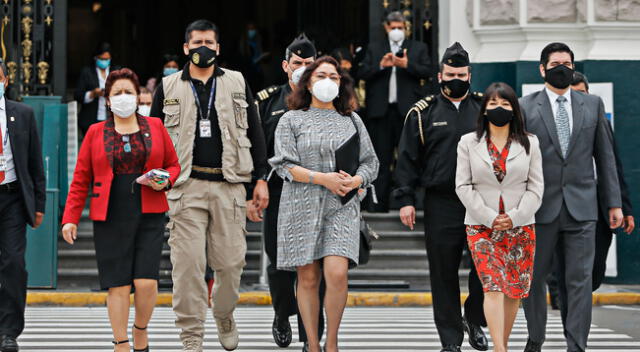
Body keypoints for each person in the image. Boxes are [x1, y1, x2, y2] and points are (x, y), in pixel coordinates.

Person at [149, 19, 269, 352]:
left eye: (210, 42)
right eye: (197, 41)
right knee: (187, 267)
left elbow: (254, 133)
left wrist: (260, 178)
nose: (204, 47)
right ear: (186, 47)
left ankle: (224, 313)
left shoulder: (236, 82)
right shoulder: (169, 86)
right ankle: (191, 336)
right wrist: (155, 177)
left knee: (231, 264)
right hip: (185, 186)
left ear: (219, 47)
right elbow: (154, 137)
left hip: (229, 185)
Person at [61, 68, 180, 352]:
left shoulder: (155, 126)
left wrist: (166, 179)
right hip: (110, 213)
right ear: (108, 99)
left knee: (146, 282)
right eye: (118, 93)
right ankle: (121, 342)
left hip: (149, 210)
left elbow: (174, 165)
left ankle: (140, 329)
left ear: (138, 96)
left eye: (129, 92)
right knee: (118, 285)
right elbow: (80, 179)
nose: (124, 97)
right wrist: (70, 219)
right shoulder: (94, 132)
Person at [269, 56, 379, 352]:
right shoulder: (290, 119)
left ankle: (332, 343)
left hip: (341, 207)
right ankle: (313, 344)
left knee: (336, 273)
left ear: (341, 83)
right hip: (300, 206)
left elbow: (371, 163)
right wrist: (322, 178)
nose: (327, 82)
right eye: (320, 76)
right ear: (307, 81)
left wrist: (357, 181)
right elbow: (284, 166)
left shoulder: (352, 120)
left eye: (334, 76)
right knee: (307, 277)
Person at [520, 42, 623, 352]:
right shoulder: (525, 107)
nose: (562, 68)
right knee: (533, 281)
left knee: (578, 282)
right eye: (555, 63)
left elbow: (606, 158)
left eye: (567, 63)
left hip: (583, 208)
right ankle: (535, 339)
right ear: (542, 69)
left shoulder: (591, 105)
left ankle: (576, 345)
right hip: (539, 209)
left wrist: (614, 203)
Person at [393, 42, 488, 352]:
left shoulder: (485, 108)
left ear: (470, 75)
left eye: (461, 73)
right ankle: (450, 339)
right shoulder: (423, 113)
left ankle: (474, 318)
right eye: (450, 73)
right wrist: (406, 198)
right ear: (440, 75)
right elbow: (407, 158)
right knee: (443, 272)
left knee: (484, 268)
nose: (455, 78)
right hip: (441, 202)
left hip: (480, 202)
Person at [456, 82, 544, 352]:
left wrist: (515, 217)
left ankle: (502, 341)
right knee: (492, 285)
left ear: (515, 110)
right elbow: (463, 185)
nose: (499, 109)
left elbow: (536, 187)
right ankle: (499, 348)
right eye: (493, 104)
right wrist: (489, 216)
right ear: (483, 110)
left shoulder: (530, 142)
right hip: (482, 227)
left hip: (520, 226)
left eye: (505, 104)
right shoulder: (468, 143)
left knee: (513, 291)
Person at [255, 33, 326, 352]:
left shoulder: (327, 99)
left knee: (317, 264)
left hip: (317, 193)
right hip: (278, 191)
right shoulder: (268, 101)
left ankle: (312, 334)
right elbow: (256, 148)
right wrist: (254, 185)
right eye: (297, 63)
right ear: (285, 66)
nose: (303, 68)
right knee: (280, 263)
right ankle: (283, 314)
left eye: (309, 64)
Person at [359, 10, 431, 212]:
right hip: (381, 113)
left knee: (409, 157)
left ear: (406, 27)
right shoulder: (375, 48)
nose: (397, 31)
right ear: (386, 28)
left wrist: (407, 65)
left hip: (408, 113)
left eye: (400, 27)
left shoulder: (417, 48)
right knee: (380, 158)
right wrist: (381, 66)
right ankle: (378, 204)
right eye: (393, 27)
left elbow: (427, 70)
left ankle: (409, 202)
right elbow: (362, 73)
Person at [0, 59, 46, 352]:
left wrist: (39, 203)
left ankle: (8, 331)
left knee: (14, 263)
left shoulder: (22, 114)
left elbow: (34, 162)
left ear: (5, 80)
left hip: (12, 196)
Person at [75, 42, 113, 135]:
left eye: (107, 59)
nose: (104, 61)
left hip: (111, 119)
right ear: (95, 58)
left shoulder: (115, 71)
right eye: (101, 59)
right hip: (90, 119)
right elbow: (78, 95)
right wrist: (93, 94)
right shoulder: (87, 72)